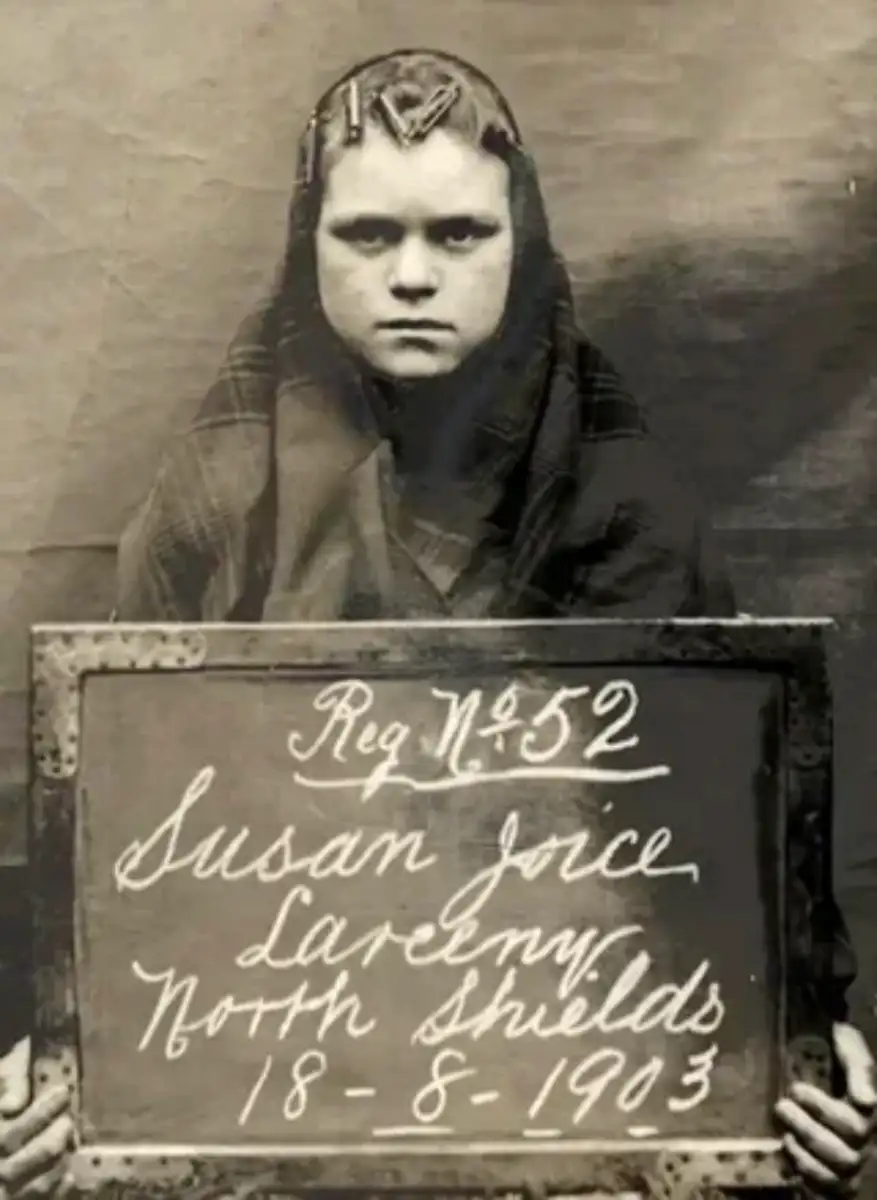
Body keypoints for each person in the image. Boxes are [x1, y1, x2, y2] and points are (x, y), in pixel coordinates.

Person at [5, 48, 873, 1198]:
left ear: (521, 242)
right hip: (273, 1077)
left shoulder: (626, 501)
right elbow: (123, 850)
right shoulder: (220, 496)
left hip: (561, 1094)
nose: (411, 274)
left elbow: (718, 851)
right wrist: (53, 1068)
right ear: (306, 243)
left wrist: (806, 1035)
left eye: (459, 235)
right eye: (367, 235)